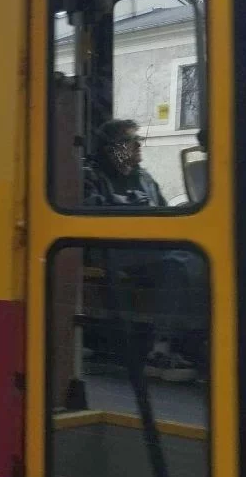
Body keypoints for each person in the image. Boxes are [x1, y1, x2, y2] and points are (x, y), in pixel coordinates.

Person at [83, 119, 206, 382]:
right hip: (114, 249)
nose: (139, 145)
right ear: (112, 149)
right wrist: (126, 205)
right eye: (130, 140)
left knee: (200, 256)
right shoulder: (92, 176)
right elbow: (89, 214)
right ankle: (160, 350)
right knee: (178, 264)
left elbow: (163, 212)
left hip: (151, 248)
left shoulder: (145, 178)